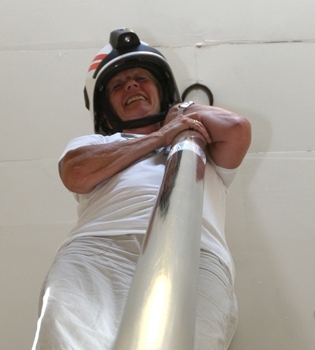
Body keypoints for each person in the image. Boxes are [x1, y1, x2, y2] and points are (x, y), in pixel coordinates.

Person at [32, 28, 252, 350]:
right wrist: (160, 138)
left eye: (141, 78)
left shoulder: (203, 143)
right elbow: (75, 172)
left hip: (198, 254)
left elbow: (236, 128)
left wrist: (181, 114)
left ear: (162, 91)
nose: (131, 85)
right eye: (119, 85)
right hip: (100, 251)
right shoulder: (98, 144)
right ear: (106, 111)